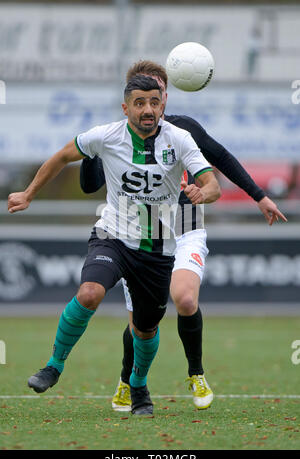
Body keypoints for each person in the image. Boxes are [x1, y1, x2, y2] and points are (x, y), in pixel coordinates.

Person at [80, 61, 287, 412]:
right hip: (139, 233)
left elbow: (221, 157)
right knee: (141, 320)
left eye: (158, 92)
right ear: (130, 99)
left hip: (186, 223)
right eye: (142, 94)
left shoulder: (183, 131)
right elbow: (89, 185)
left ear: (164, 96)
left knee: (185, 301)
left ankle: (196, 373)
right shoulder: (116, 139)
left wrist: (259, 196)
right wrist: (89, 152)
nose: (152, 102)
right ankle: (128, 380)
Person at [7, 75, 221, 416]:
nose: (147, 109)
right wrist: (29, 193)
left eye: (154, 102)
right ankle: (53, 365)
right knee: (90, 292)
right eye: (140, 103)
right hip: (113, 236)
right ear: (126, 108)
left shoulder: (179, 140)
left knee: (145, 329)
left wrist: (202, 192)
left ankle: (137, 386)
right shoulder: (106, 135)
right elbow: (62, 155)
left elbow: (212, 185)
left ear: (162, 104)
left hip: (158, 251)